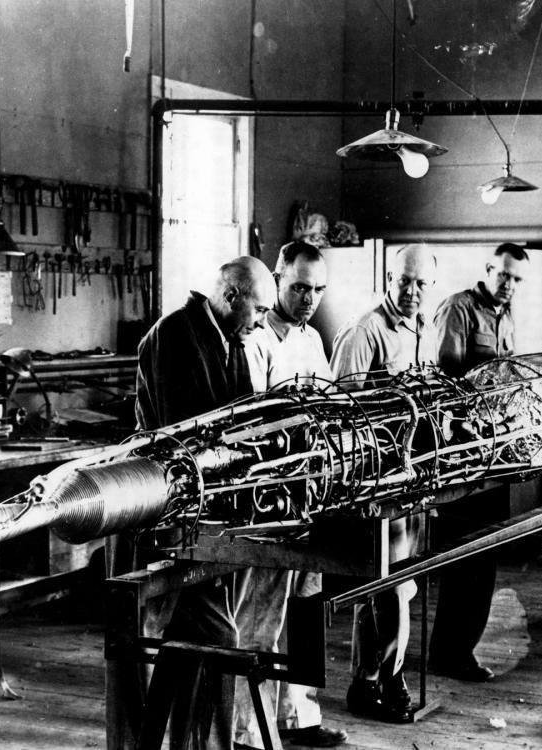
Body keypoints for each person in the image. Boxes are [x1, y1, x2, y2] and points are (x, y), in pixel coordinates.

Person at [112, 255, 275, 750]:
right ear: (231, 297)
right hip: (161, 512)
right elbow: (189, 439)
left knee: (204, 641)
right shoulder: (173, 337)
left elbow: (243, 420)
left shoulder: (232, 341)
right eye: (260, 310)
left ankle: (193, 743)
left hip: (208, 518)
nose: (263, 321)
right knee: (207, 639)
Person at [234, 241, 347, 749]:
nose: (308, 299)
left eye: (318, 289)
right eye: (300, 287)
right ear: (278, 279)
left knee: (304, 607)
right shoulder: (257, 339)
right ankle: (248, 730)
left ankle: (298, 716)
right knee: (262, 613)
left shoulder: (312, 339)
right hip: (271, 499)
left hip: (312, 492)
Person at [329, 243, 438, 724]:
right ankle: (388, 680)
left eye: (421, 284)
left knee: (397, 584)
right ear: (388, 279)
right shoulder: (364, 332)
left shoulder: (422, 329)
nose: (412, 292)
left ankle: (367, 679)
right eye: (404, 282)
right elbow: (341, 415)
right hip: (377, 482)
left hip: (413, 478)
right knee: (385, 587)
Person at [428, 242, 531, 683]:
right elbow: (444, 381)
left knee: (485, 556)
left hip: (495, 452)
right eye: (503, 275)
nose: (509, 285)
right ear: (488, 269)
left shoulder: (505, 316)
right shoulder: (459, 309)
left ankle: (461, 650)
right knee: (462, 559)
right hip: (462, 456)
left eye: (516, 279)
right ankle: (448, 654)